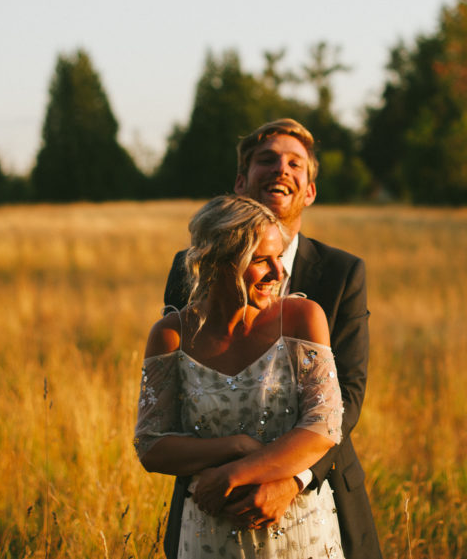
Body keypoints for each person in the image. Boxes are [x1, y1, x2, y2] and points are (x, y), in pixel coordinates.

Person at [162, 119, 382, 558]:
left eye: (295, 163)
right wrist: (229, 471)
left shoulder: (341, 274)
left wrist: (290, 480)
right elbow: (178, 397)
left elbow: (348, 399)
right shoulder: (191, 268)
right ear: (240, 183)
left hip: (316, 499)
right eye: (266, 160)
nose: (281, 168)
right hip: (212, 507)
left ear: (310, 191)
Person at [135, 195, 345, 557]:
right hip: (209, 532)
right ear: (216, 263)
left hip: (298, 530)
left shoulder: (303, 318)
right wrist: (235, 446)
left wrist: (238, 473)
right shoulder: (172, 335)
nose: (279, 273)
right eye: (262, 260)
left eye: (279, 257)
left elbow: (325, 425)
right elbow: (152, 446)